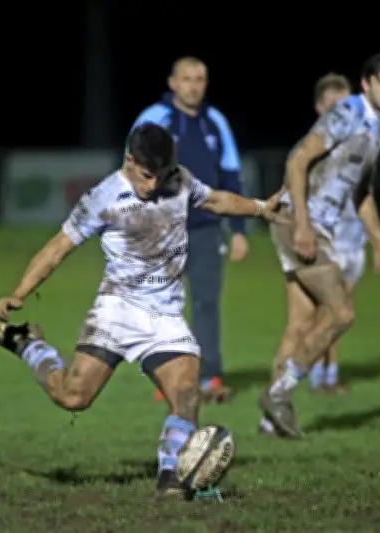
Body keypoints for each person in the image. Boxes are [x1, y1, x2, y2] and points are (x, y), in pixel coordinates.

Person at [0, 123, 285, 499]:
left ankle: (170, 478)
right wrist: (20, 291)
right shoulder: (103, 197)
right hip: (116, 311)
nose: (154, 186)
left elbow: (217, 200)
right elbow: (59, 246)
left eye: (161, 175)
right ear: (129, 161)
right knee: (73, 398)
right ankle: (27, 344)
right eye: (146, 175)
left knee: (186, 396)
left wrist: (261, 208)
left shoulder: (179, 180)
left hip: (166, 316)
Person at [259, 54, 380, 438]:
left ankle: (268, 423)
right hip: (299, 222)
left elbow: (362, 192)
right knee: (341, 313)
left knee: (300, 324)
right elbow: (297, 159)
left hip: (314, 227)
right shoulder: (348, 113)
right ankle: (278, 395)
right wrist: (303, 225)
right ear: (367, 83)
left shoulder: (379, 131)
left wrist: (379, 240)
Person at [131, 56, 246, 403]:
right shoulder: (155, 119)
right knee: (164, 306)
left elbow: (230, 175)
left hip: (207, 230)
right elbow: (133, 171)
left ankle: (209, 378)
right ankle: (167, 379)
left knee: (206, 303)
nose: (194, 85)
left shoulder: (215, 122)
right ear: (172, 83)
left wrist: (238, 230)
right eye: (187, 79)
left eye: (200, 79)